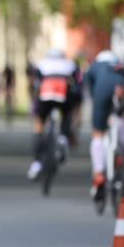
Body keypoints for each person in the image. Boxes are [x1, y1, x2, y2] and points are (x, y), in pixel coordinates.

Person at [85, 50, 124, 200]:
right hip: (123, 87)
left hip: (102, 89)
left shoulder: (94, 67)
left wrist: (99, 108)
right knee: (120, 117)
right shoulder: (120, 65)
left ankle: (99, 173)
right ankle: (121, 153)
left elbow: (91, 90)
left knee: (98, 134)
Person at [26, 47, 78, 180]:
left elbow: (35, 82)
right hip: (64, 93)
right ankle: (63, 138)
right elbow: (78, 82)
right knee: (67, 115)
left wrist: (33, 101)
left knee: (39, 124)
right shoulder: (70, 64)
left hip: (46, 94)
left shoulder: (42, 63)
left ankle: (36, 163)